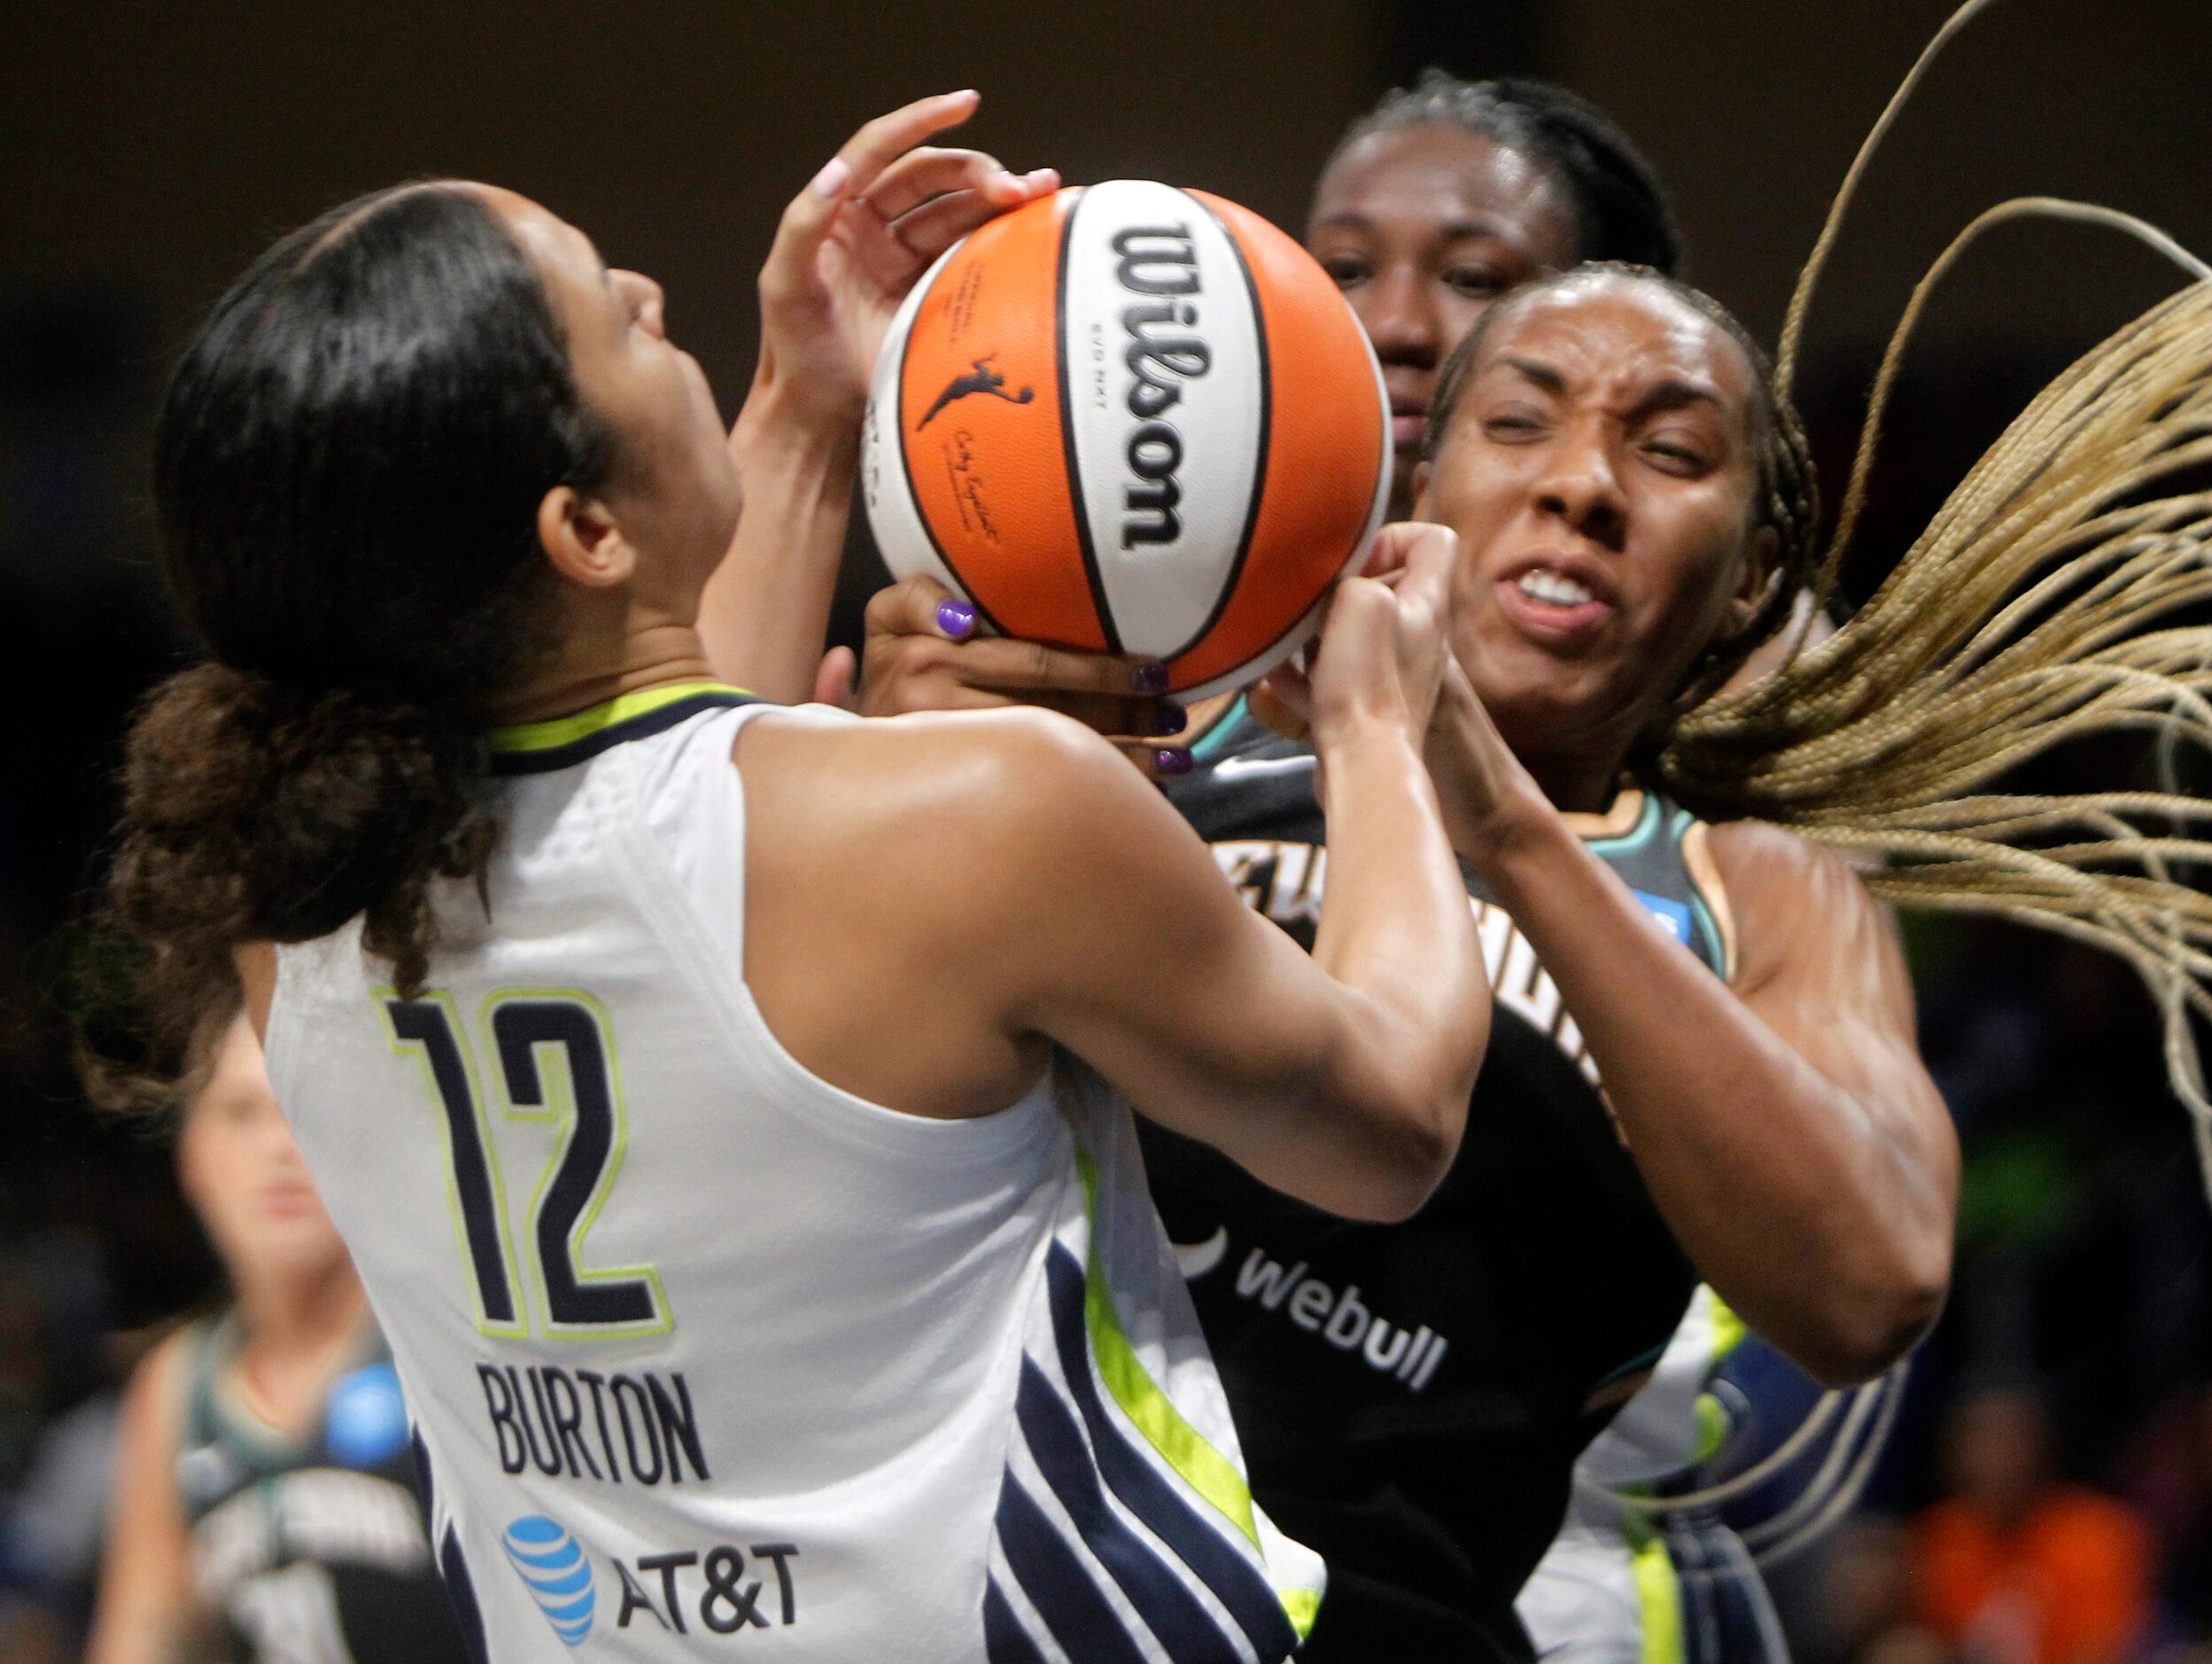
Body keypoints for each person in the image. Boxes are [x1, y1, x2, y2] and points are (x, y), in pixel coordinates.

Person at [95, 91, 1496, 1663]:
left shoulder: (303, 926)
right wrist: (1379, 721)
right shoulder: (974, 820)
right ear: (583, 527)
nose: (649, 297)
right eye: (609, 307)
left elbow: (670, 802)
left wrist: (807, 398)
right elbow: (1392, 1122)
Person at [827, 254, 1960, 1661]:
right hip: (1004, 1564)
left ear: (1750, 584)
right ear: (1419, 495)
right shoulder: (1175, 733)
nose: (1583, 486)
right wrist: (898, 767)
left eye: (1669, 451)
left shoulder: (1754, 888)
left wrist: (1505, 819)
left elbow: (1871, 1281)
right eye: (1520, 423)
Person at [88, 1017, 463, 1664]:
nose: (278, 1148)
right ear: (192, 1157)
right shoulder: (179, 1387)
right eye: (240, 1114)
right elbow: (140, 1637)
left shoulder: (444, 1344)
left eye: (302, 1107)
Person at [1909, 1385, 2155, 1664]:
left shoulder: (2098, 1532)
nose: (1996, 1458)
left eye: (2011, 1440)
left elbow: (2106, 1646)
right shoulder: (1939, 1535)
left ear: (2043, 1447)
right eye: (1981, 1440)